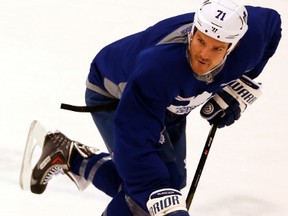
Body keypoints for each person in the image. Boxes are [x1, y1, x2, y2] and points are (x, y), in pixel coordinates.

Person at [29, 0, 282, 215]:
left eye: (217, 48)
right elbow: (135, 141)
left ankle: (71, 156)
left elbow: (272, 24)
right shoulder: (159, 68)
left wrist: (240, 85)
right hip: (116, 93)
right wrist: (154, 197)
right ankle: (73, 158)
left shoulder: (252, 40)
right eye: (200, 41)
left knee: (168, 184)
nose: (204, 55)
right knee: (146, 197)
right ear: (193, 31)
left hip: (166, 102)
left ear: (234, 46)